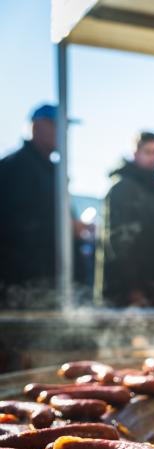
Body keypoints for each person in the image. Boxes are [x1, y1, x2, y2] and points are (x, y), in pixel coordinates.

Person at [95, 131, 154, 307]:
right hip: (122, 293)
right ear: (136, 153)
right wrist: (133, 288)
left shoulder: (153, 191)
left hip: (148, 289)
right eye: (148, 152)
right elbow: (119, 240)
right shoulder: (122, 188)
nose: (153, 158)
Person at [0, 104, 58, 307]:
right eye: (56, 126)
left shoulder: (50, 171)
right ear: (37, 127)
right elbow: (15, 226)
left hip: (46, 284)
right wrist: (63, 226)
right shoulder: (16, 167)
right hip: (22, 287)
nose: (62, 133)